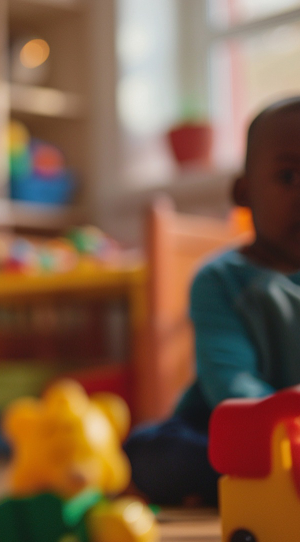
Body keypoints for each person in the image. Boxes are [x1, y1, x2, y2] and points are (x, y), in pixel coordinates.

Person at [125, 96, 300, 506]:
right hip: (223, 431)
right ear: (244, 191)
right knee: (150, 452)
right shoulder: (219, 280)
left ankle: (261, 485)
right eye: (289, 176)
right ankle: (257, 482)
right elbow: (232, 388)